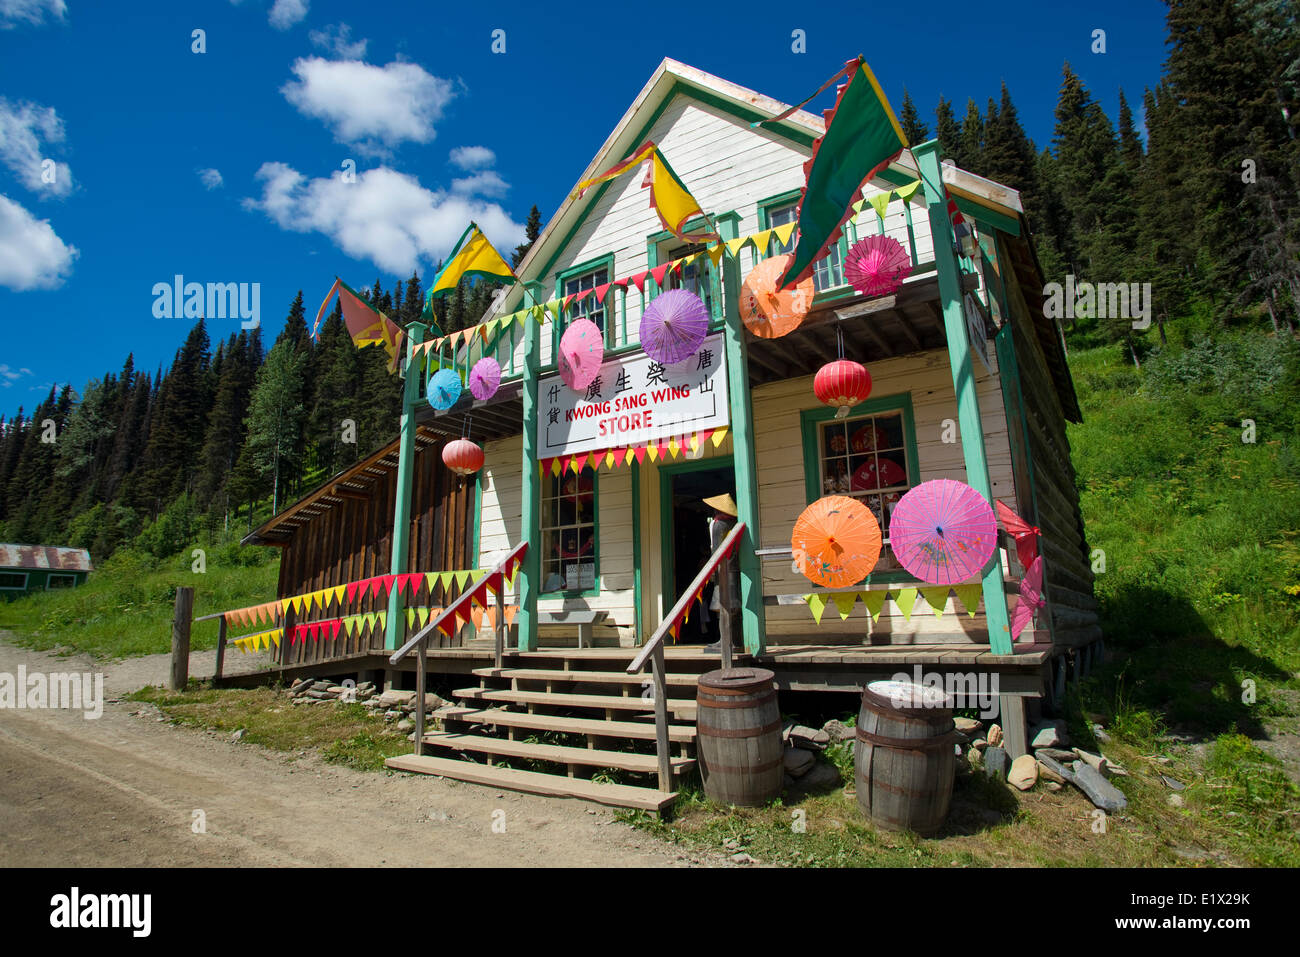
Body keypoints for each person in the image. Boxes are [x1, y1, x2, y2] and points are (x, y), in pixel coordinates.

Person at [701, 493, 741, 652]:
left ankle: (724, 641)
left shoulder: (719, 524)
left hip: (722, 568)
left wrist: (712, 569)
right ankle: (736, 639)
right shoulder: (733, 523)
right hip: (734, 566)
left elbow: (717, 549)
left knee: (723, 605)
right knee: (734, 605)